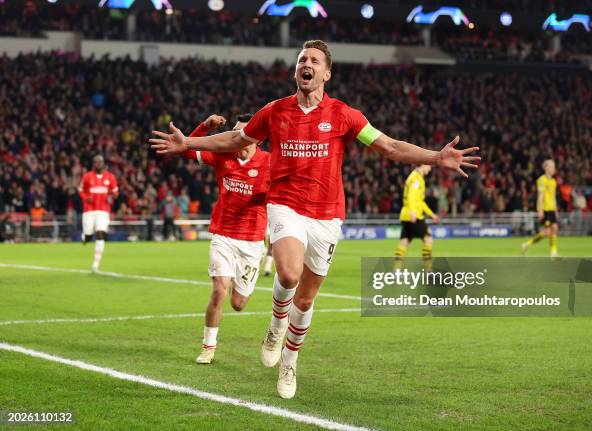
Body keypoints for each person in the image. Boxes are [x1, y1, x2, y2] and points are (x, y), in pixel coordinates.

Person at [150, 40, 479, 398]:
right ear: (296, 70)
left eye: (314, 60)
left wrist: (435, 157)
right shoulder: (274, 112)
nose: (306, 64)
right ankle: (276, 325)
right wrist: (190, 144)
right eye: (302, 59)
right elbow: (235, 138)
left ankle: (290, 361)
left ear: (326, 73)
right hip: (285, 206)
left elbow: (390, 146)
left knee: (305, 301)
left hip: (327, 216)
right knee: (288, 273)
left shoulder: (345, 115)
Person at [182, 113, 271, 365]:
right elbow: (188, 149)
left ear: (256, 139)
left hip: (252, 242)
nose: (236, 137)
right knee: (219, 290)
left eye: (242, 134)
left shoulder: (270, 163)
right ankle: (208, 347)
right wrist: (204, 127)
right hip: (223, 236)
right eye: (234, 132)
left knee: (238, 303)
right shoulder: (223, 155)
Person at [78, 155, 119, 272]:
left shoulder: (110, 177)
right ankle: (85, 237)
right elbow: (81, 190)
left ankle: (95, 264)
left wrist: (111, 197)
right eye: (95, 162)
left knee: (100, 234)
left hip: (103, 210)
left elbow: (116, 192)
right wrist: (86, 198)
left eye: (100, 162)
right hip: (89, 210)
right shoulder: (87, 177)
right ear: (93, 164)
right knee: (88, 236)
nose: (98, 164)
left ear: (103, 163)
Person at [394, 165, 439, 266]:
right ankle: (428, 271)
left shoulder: (414, 176)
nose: (430, 168)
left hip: (405, 215)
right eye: (428, 165)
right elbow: (411, 196)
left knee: (404, 242)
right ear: (422, 164)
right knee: (428, 239)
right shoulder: (416, 178)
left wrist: (431, 214)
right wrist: (413, 212)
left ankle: (396, 271)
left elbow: (420, 201)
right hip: (414, 215)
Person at [522, 159, 559, 257]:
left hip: (551, 209)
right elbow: (540, 196)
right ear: (546, 167)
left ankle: (553, 252)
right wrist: (540, 210)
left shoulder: (554, 181)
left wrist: (556, 209)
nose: (554, 169)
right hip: (545, 209)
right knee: (546, 233)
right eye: (552, 167)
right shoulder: (541, 180)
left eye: (554, 167)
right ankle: (527, 244)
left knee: (554, 228)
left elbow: (553, 197)